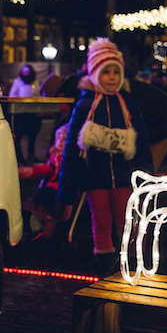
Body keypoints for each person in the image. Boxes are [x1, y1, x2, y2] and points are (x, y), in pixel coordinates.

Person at [58, 38, 154, 272]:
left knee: (127, 220)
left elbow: (141, 142)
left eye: (115, 72)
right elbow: (72, 148)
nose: (111, 77)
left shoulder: (128, 104)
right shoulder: (84, 106)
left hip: (123, 176)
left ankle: (132, 263)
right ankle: (105, 265)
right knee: (101, 221)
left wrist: (148, 177)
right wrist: (66, 190)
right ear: (94, 73)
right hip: (95, 178)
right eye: (105, 72)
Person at [18, 124, 73, 241]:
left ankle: (50, 227)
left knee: (59, 199)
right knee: (41, 192)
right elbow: (49, 169)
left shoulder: (72, 159)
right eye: (58, 139)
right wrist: (31, 171)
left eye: (64, 139)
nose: (60, 142)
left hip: (65, 189)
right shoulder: (55, 156)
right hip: (52, 187)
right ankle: (28, 213)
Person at [9, 64, 41, 163]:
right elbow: (12, 94)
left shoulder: (35, 82)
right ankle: (20, 157)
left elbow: (37, 94)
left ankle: (31, 155)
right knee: (19, 135)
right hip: (21, 112)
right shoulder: (18, 82)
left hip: (32, 112)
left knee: (32, 136)